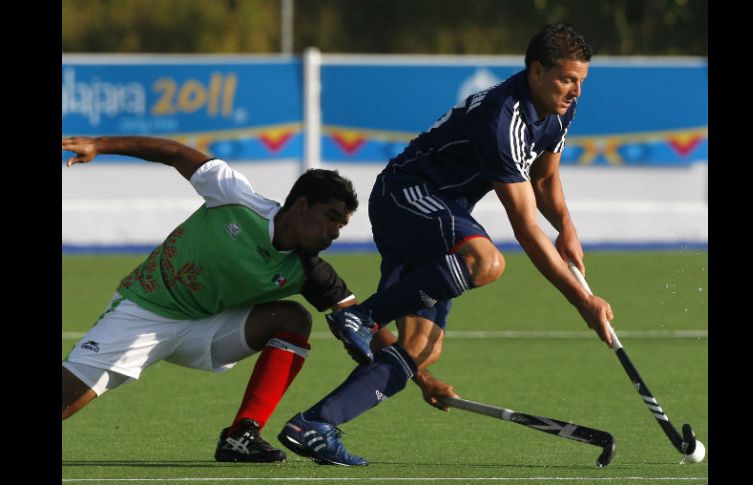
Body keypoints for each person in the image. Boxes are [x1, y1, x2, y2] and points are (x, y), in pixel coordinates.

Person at [276, 23, 615, 466]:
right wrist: (582, 304)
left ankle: (314, 425)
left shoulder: (558, 111)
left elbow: (546, 179)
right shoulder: (501, 117)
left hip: (444, 210)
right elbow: (526, 228)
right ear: (536, 71)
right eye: (567, 79)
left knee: (420, 349)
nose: (576, 92)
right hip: (406, 194)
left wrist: (567, 227)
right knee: (485, 261)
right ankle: (363, 316)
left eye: (581, 81)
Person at [61, 135, 389, 463]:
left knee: (293, 319)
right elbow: (175, 153)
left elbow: (362, 321)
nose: (335, 232)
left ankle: (241, 436)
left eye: (342, 225)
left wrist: (415, 371)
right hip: (144, 312)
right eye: (331, 218)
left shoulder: (310, 271)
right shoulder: (234, 196)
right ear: (301, 205)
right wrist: (99, 145)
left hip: (207, 329)